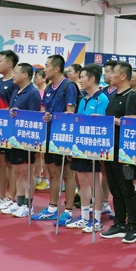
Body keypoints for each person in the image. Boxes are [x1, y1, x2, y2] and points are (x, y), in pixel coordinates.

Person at [99, 62, 136, 243]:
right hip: (110, 149)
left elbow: (133, 122)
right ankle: (119, 223)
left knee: (126, 188)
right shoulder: (113, 96)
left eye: (113, 72)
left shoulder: (132, 96)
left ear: (123, 76)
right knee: (115, 188)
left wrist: (113, 121)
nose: (110, 76)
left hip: (124, 150)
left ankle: (133, 226)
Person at [34, 55, 79, 223]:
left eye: (47, 66)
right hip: (49, 136)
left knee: (67, 173)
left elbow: (70, 113)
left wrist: (52, 116)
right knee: (53, 173)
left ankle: (68, 210)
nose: (44, 69)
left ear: (57, 68)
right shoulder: (48, 87)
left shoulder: (69, 86)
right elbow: (45, 109)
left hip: (63, 137)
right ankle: (52, 208)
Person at [68, 64, 108, 233]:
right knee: (82, 181)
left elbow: (104, 124)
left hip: (93, 147)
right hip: (79, 145)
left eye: (83, 77)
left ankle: (97, 219)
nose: (80, 80)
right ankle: (84, 217)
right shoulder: (83, 99)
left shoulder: (102, 99)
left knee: (93, 181)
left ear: (92, 79)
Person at [3, 63, 43, 218]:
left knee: (26, 172)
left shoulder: (33, 93)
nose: (13, 75)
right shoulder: (16, 91)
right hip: (14, 137)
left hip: (26, 139)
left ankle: (28, 205)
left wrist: (21, 114)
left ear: (25, 74)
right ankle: (19, 203)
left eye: (16, 72)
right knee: (18, 171)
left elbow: (34, 117)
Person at [0, 50, 19, 211]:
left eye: (0, 61)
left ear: (9, 63)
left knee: (10, 164)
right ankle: (0, 195)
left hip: (11, 128)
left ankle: (11, 197)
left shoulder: (15, 82)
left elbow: (13, 106)